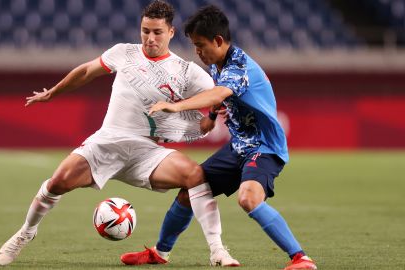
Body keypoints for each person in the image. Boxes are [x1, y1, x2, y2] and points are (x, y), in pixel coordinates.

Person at [0, 0, 240, 267]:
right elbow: (87, 71)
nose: (150, 38)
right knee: (57, 182)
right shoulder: (124, 52)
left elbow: (218, 95)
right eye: (145, 30)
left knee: (195, 176)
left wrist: (212, 118)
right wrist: (53, 92)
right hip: (107, 141)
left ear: (170, 32)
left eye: (157, 32)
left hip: (146, 151)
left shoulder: (187, 72)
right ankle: (26, 233)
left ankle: (217, 250)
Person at [120, 5, 317, 270]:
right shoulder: (219, 63)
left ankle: (301, 258)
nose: (198, 53)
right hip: (239, 147)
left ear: (219, 41)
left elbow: (219, 92)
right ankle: (160, 252)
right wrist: (212, 117)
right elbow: (220, 94)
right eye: (194, 46)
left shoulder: (239, 67)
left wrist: (178, 106)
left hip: (265, 147)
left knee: (248, 199)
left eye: (201, 46)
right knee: (191, 189)